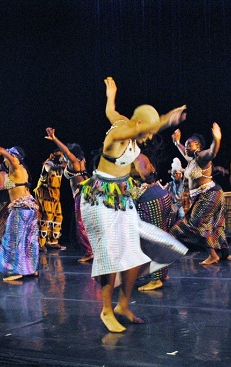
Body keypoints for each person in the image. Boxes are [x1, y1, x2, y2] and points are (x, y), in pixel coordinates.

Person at [79, 77, 187, 333]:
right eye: (147, 130)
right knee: (111, 255)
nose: (148, 137)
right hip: (100, 197)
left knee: (135, 253)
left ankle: (123, 305)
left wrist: (111, 95)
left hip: (123, 197)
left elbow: (110, 111)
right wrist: (167, 118)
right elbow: (125, 125)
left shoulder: (125, 124)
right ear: (139, 124)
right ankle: (106, 309)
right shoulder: (119, 131)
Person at [169, 125, 230, 265]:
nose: (186, 147)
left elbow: (213, 152)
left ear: (198, 146)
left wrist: (217, 138)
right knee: (215, 224)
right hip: (208, 194)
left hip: (209, 194)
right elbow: (183, 151)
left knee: (196, 224)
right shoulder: (191, 159)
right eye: (186, 144)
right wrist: (176, 142)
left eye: (189, 144)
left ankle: (213, 255)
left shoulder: (201, 157)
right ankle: (225, 254)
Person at [0, 125, 39, 282]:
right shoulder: (16, 170)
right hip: (29, 208)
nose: (5, 159)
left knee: (13, 239)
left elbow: (8, 157)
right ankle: (30, 269)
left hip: (21, 209)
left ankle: (16, 271)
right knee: (28, 240)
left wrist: (4, 150)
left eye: (9, 156)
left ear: (15, 157)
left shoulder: (17, 168)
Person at [44, 128, 93, 262]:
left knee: (81, 224)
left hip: (82, 195)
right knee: (87, 223)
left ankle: (89, 252)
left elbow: (66, 151)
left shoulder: (74, 162)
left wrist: (54, 139)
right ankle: (92, 250)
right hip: (86, 193)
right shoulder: (81, 161)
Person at [130, 153, 175, 292]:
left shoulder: (135, 158)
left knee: (150, 240)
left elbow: (145, 174)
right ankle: (162, 274)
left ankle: (156, 279)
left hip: (150, 199)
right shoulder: (139, 156)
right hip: (158, 194)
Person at [34, 149, 66, 250]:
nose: (60, 157)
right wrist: (62, 166)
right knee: (45, 217)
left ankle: (52, 241)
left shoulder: (61, 167)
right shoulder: (48, 164)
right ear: (52, 155)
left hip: (55, 195)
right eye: (59, 155)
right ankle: (40, 243)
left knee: (58, 217)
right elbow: (49, 169)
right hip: (45, 194)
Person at [164, 157, 186, 222]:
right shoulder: (170, 184)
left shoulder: (184, 184)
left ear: (180, 174)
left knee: (181, 214)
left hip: (181, 205)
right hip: (173, 205)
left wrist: (171, 194)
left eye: (177, 173)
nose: (175, 175)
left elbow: (179, 198)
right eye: (174, 173)